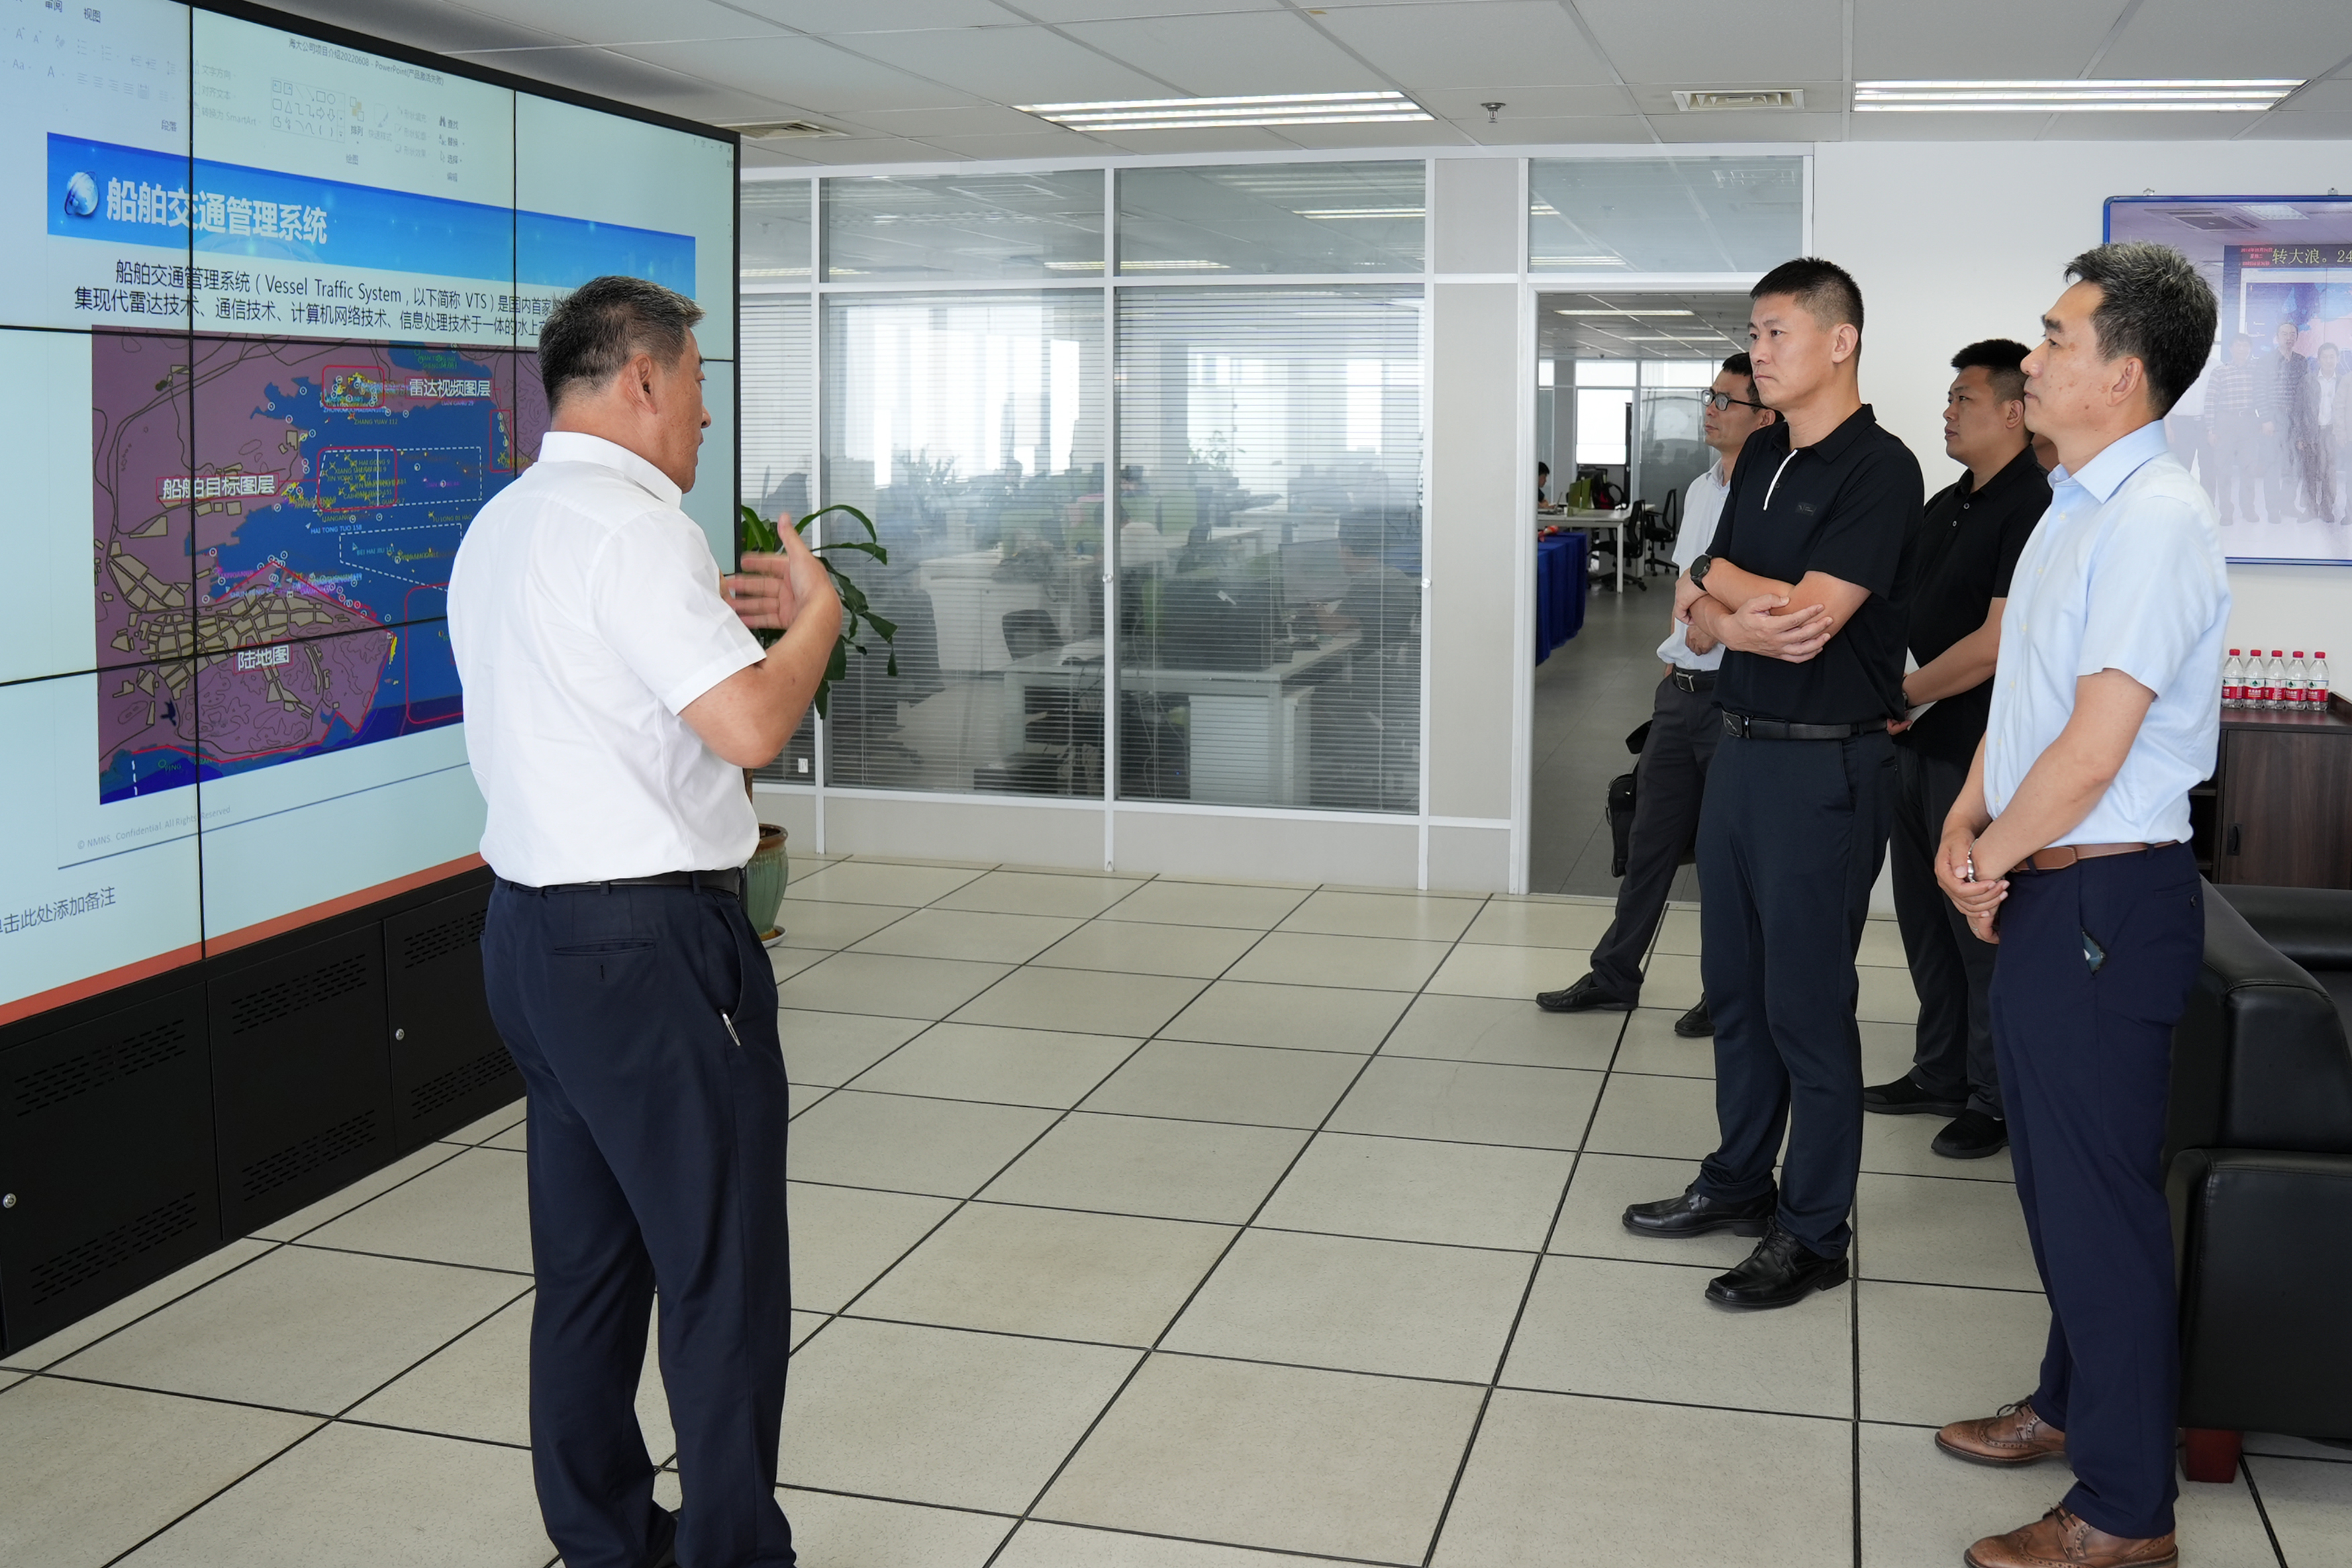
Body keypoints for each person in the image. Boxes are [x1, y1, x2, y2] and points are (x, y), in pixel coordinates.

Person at [448, 275, 841, 1568]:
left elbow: (598, 697)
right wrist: (817, 623)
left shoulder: (504, 521)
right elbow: (752, 726)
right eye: (697, 382)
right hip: (651, 950)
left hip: (532, 943)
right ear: (642, 377)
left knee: (590, 1272)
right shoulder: (632, 530)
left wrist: (721, 632)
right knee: (720, 1269)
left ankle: (607, 1542)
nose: (706, 413)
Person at [1932, 242, 2226, 1568]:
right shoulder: (2070, 502)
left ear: (2124, 372)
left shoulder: (2157, 515)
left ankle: (2121, 1514)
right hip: (2051, 883)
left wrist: (1987, 858)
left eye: (2055, 338)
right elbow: (2029, 702)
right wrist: (1966, 818)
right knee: (2056, 1188)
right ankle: (2066, 1403)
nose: (2031, 356)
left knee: (2099, 1207)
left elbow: (2096, 750)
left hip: (2107, 894)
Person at [1622, 258, 1922, 1310]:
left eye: (1776, 332)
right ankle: (1740, 1179)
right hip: (1741, 748)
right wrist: (1728, 606)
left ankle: (1814, 1229)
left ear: (1841, 341)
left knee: (1807, 1005)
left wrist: (1727, 598)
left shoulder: (1880, 469)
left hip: (1826, 765)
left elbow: (1812, 619)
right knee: (1737, 993)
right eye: (1753, 333)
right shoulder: (1759, 455)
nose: (1758, 353)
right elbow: (1694, 592)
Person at [1535, 352, 1777, 1032]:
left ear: (1765, 417)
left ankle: (1726, 993)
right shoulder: (1702, 488)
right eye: (1710, 396)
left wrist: (1710, 620)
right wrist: (1681, 649)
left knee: (1728, 857)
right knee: (1648, 839)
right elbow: (1685, 586)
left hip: (1737, 697)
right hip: (1680, 692)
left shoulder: (1771, 497)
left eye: (1726, 401)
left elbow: (1765, 598)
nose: (1711, 409)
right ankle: (1615, 974)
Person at [1865, 340, 2048, 1159]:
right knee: (1923, 919)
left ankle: (1993, 1095)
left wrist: (1904, 692)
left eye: (1963, 398)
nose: (1947, 410)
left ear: (2012, 410)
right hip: (1914, 738)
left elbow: (1997, 643)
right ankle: (1939, 1068)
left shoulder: (2032, 505)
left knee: (1978, 926)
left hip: (1977, 754)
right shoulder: (1947, 502)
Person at [2258, 317, 2311, 519]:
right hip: (2274, 417)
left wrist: (2302, 425)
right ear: (2277, 337)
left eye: (2292, 334)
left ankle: (2287, 506)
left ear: (2297, 337)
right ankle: (2273, 510)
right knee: (2272, 465)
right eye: (2284, 334)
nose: (2289, 338)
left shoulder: (2301, 362)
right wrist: (2265, 419)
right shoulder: (2266, 361)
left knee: (2294, 465)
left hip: (2295, 420)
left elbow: (2305, 395)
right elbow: (2259, 392)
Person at [2206, 333, 2260, 524]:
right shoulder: (2220, 372)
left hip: (2248, 423)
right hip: (2225, 423)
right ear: (2231, 348)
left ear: (2250, 349)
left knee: (2249, 469)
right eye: (2238, 345)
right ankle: (2226, 512)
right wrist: (2211, 429)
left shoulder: (2257, 370)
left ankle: (2248, 509)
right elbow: (2210, 401)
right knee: (2224, 470)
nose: (2242, 349)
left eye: (2246, 346)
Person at [2299, 339, 2343, 526]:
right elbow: (2299, 410)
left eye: (2332, 357)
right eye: (2325, 357)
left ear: (2338, 359)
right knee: (2309, 471)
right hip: (2312, 431)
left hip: (2332, 434)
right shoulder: (2308, 381)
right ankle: (2310, 509)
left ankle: (2327, 509)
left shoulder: (2343, 382)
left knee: (2329, 473)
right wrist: (2300, 436)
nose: (2329, 361)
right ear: (2318, 360)